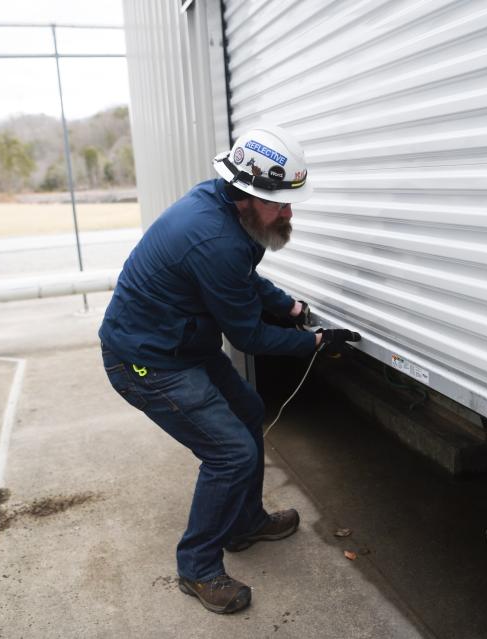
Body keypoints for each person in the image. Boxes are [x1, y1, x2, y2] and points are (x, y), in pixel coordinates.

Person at [99, 125, 361, 615]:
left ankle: (244, 524)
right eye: (279, 203)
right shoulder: (214, 238)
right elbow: (249, 337)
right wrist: (314, 343)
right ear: (245, 195)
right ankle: (197, 567)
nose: (287, 212)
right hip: (146, 361)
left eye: (288, 201)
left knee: (248, 408)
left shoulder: (222, 208)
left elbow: (242, 279)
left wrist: (291, 309)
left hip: (182, 343)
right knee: (231, 454)